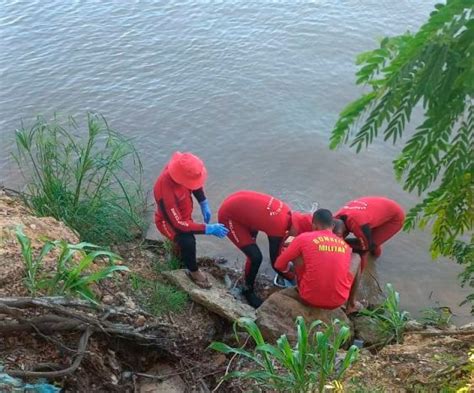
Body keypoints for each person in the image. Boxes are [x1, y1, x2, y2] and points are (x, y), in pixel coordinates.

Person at [217, 190, 312, 308]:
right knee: (255, 257)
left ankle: (248, 276)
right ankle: (248, 290)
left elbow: (285, 245)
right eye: (296, 236)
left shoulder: (288, 215)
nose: (294, 238)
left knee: (254, 250)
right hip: (230, 217)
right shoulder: (279, 227)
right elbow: (276, 263)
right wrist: (293, 278)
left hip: (242, 208)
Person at [154, 152, 228, 288]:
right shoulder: (165, 190)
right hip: (168, 222)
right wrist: (208, 229)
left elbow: (194, 182)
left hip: (183, 216)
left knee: (183, 240)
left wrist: (203, 201)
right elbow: (178, 224)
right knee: (187, 240)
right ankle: (193, 271)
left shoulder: (180, 169)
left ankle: (176, 253)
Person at [274, 209, 361, 312]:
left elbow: (278, 264)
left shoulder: (303, 238)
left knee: (298, 252)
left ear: (314, 226)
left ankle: (300, 285)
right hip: (339, 300)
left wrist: (289, 270)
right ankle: (351, 304)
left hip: (308, 297)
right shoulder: (345, 245)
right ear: (332, 226)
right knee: (356, 257)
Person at [333, 196, 405, 270]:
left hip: (394, 218)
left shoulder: (358, 225)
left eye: (340, 235)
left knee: (368, 246)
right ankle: (373, 258)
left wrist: (343, 244)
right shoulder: (333, 218)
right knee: (369, 239)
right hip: (375, 208)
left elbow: (364, 249)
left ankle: (373, 260)